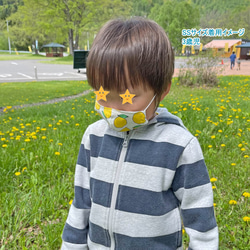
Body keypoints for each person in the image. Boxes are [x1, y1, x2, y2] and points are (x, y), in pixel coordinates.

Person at [61, 17, 218, 250]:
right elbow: (82, 203)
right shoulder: (93, 137)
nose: (115, 108)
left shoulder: (179, 146)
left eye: (129, 97)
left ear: (161, 90)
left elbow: (200, 216)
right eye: (104, 94)